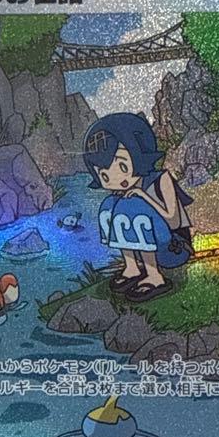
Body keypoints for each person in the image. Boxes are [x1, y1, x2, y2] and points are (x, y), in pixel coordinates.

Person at [82, 112, 193, 302]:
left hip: (173, 248)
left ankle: (155, 277)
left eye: (122, 166)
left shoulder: (161, 180)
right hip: (147, 247)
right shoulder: (119, 195)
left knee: (132, 205)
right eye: (104, 175)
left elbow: (174, 221)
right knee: (109, 205)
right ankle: (132, 268)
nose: (115, 179)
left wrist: (144, 197)